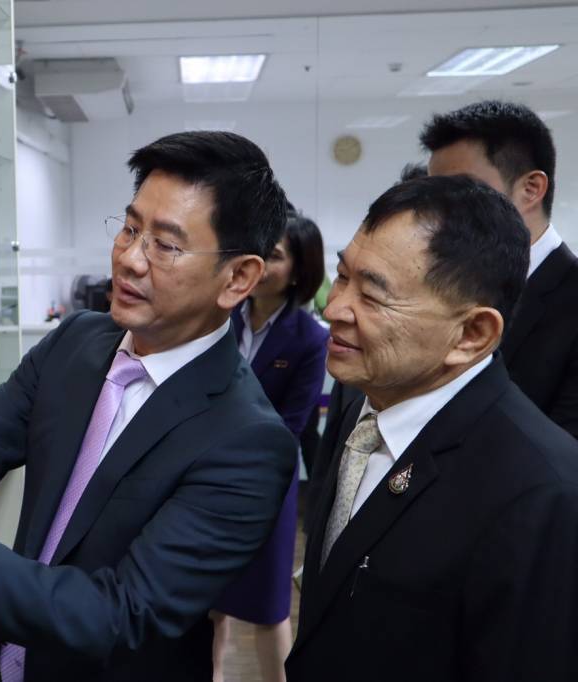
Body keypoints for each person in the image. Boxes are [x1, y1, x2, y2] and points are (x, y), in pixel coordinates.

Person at [0, 131, 298, 681]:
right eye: (130, 229)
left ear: (238, 278)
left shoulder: (247, 441)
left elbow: (125, 614)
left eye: (165, 245)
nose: (129, 259)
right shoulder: (77, 341)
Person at [287, 175, 578, 681]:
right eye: (343, 276)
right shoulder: (366, 401)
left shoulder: (541, 492)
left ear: (472, 333)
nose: (334, 309)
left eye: (372, 296)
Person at [211, 214, 328, 682]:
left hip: (265, 486)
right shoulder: (221, 317)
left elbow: (291, 425)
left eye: (274, 256)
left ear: (299, 271)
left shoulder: (310, 339)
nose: (259, 262)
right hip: (204, 480)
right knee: (205, 605)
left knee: (268, 609)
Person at [423, 100, 578, 438]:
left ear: (531, 189)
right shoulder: (439, 287)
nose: (442, 213)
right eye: (435, 195)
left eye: (464, 191)